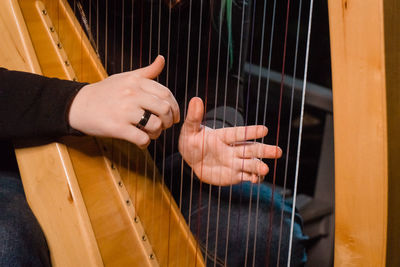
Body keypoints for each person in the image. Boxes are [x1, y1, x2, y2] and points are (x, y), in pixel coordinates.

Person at [0, 56, 307, 266]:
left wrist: (211, 126)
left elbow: (219, 72)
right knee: (8, 241)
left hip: (153, 156)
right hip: (13, 154)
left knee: (270, 232)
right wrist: (72, 102)